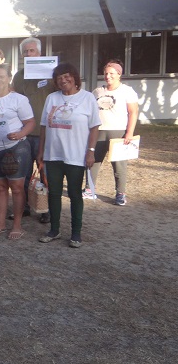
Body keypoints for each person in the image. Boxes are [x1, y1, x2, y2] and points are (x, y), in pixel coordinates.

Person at [37, 63, 100, 248]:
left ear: (74, 77)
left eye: (67, 76)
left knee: (74, 194)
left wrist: (91, 151)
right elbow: (43, 126)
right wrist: (41, 151)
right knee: (54, 193)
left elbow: (95, 126)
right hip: (53, 154)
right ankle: (54, 230)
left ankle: (76, 233)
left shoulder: (87, 98)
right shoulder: (51, 98)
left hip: (76, 155)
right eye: (59, 78)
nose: (63, 80)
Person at [0, 64, 36, 240]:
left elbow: (30, 122)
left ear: (9, 78)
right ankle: (0, 223)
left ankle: (17, 225)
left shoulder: (18, 100)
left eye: (2, 76)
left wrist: (20, 134)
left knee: (17, 188)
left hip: (16, 147)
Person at [12, 37, 56, 223]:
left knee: (45, 172)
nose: (29, 54)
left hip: (45, 132)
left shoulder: (52, 72)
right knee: (23, 172)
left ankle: (47, 208)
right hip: (24, 132)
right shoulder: (19, 76)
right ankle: (26, 206)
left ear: (40, 53)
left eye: (32, 51)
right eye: (25, 52)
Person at [86, 60, 139, 206]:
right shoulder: (97, 91)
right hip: (99, 130)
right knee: (93, 160)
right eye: (106, 73)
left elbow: (133, 112)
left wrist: (129, 132)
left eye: (112, 73)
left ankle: (120, 193)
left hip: (118, 131)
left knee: (119, 164)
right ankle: (89, 188)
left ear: (119, 75)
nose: (108, 76)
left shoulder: (127, 91)